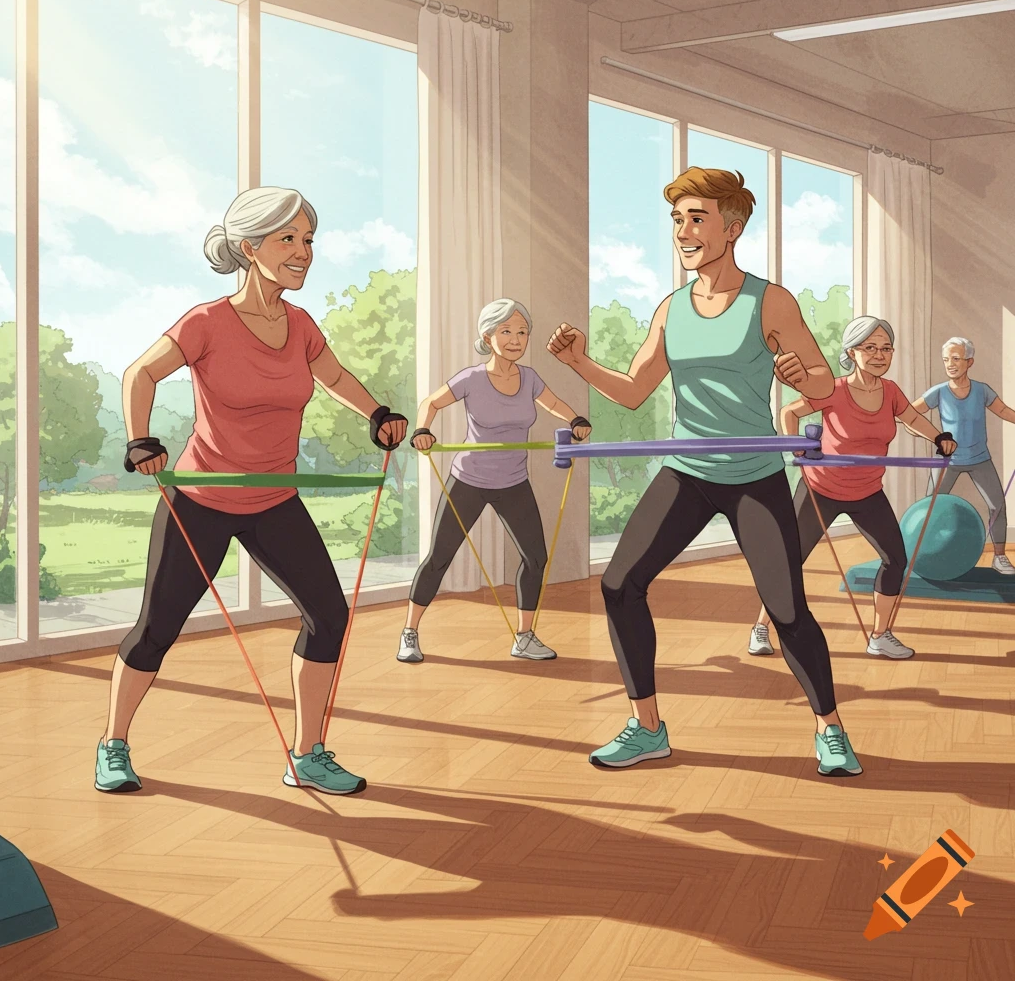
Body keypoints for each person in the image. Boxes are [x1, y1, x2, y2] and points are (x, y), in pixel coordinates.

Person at [548, 166, 862, 777]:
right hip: (687, 471)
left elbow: (824, 381)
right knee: (619, 586)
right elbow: (637, 391)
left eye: (697, 219)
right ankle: (647, 727)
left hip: (754, 474)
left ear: (733, 227)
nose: (683, 232)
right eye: (677, 221)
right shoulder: (671, 309)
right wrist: (579, 361)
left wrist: (805, 378)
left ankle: (830, 729)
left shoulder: (768, 300)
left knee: (787, 608)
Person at [94, 186, 408, 798]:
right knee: (157, 628)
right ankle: (114, 743)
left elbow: (335, 375)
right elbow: (140, 373)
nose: (303, 252)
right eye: (287, 239)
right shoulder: (207, 322)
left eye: (309, 240)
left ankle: (308, 754)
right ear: (249, 247)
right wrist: (140, 441)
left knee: (329, 616)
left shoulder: (300, 325)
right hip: (202, 500)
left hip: (274, 501)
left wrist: (377, 413)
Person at [748, 316, 956, 661]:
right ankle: (761, 627)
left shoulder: (890, 391)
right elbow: (790, 411)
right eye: (870, 347)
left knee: (896, 559)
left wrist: (939, 437)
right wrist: (798, 447)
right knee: (789, 560)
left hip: (867, 491)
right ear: (852, 352)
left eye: (886, 348)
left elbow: (912, 419)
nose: (880, 355)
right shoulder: (834, 389)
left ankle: (880, 635)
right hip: (821, 489)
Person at [402, 299, 591, 664]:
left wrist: (576, 420)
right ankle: (410, 632)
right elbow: (431, 402)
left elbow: (554, 404)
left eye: (522, 332)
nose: (516, 339)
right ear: (488, 336)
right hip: (469, 479)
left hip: (513, 480)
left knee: (536, 558)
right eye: (506, 331)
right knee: (439, 558)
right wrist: (424, 429)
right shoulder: (472, 378)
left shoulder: (530, 378)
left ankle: (524, 637)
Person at [910, 337, 1015, 575]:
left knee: (997, 506)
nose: (950, 364)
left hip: (980, 458)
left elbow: (1004, 411)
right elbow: (908, 415)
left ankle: (999, 557)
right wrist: (929, 435)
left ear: (970, 362)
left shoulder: (982, 391)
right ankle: (924, 555)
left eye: (956, 359)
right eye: (946, 359)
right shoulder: (938, 392)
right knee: (930, 509)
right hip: (947, 461)